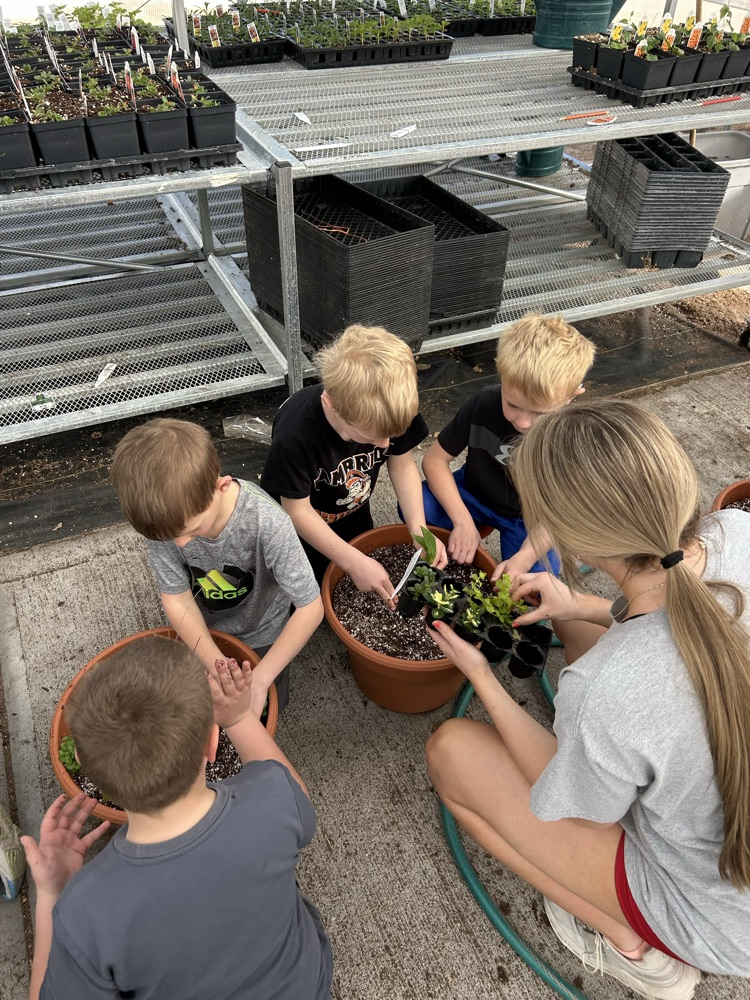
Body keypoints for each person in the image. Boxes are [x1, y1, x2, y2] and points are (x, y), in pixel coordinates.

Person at [426, 398, 750, 999]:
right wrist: (581, 606)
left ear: (572, 538)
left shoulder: (610, 686)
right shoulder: (738, 530)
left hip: (718, 916)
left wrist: (483, 677)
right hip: (727, 843)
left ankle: (639, 952)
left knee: (451, 752)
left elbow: (571, 805)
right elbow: (686, 611)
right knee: (574, 625)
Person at [21, 635, 333, 1000]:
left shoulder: (87, 913)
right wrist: (237, 717)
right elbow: (297, 797)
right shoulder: (271, 801)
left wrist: (53, 892)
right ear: (212, 742)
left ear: (90, 775)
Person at [111, 418, 323, 715]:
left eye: (193, 530)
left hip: (263, 631)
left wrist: (262, 679)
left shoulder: (268, 523)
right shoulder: (168, 523)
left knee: (265, 704)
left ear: (221, 487)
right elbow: (178, 599)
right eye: (170, 537)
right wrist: (216, 663)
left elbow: (310, 606)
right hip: (203, 630)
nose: (180, 544)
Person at [260, 324, 447, 600]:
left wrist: (419, 529)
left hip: (351, 509)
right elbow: (297, 511)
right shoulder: (296, 436)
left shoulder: (390, 410)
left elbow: (402, 463)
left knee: (358, 574)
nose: (385, 444)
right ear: (331, 404)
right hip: (299, 525)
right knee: (309, 590)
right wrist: (353, 562)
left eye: (391, 435)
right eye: (371, 437)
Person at [420, 313, 595, 580]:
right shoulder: (484, 403)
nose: (522, 422)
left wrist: (523, 560)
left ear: (572, 396)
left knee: (535, 581)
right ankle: (469, 530)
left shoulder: (571, 439)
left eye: (540, 413)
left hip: (529, 517)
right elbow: (434, 461)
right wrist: (462, 520)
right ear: (501, 377)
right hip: (473, 492)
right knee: (420, 507)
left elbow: (558, 511)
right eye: (512, 404)